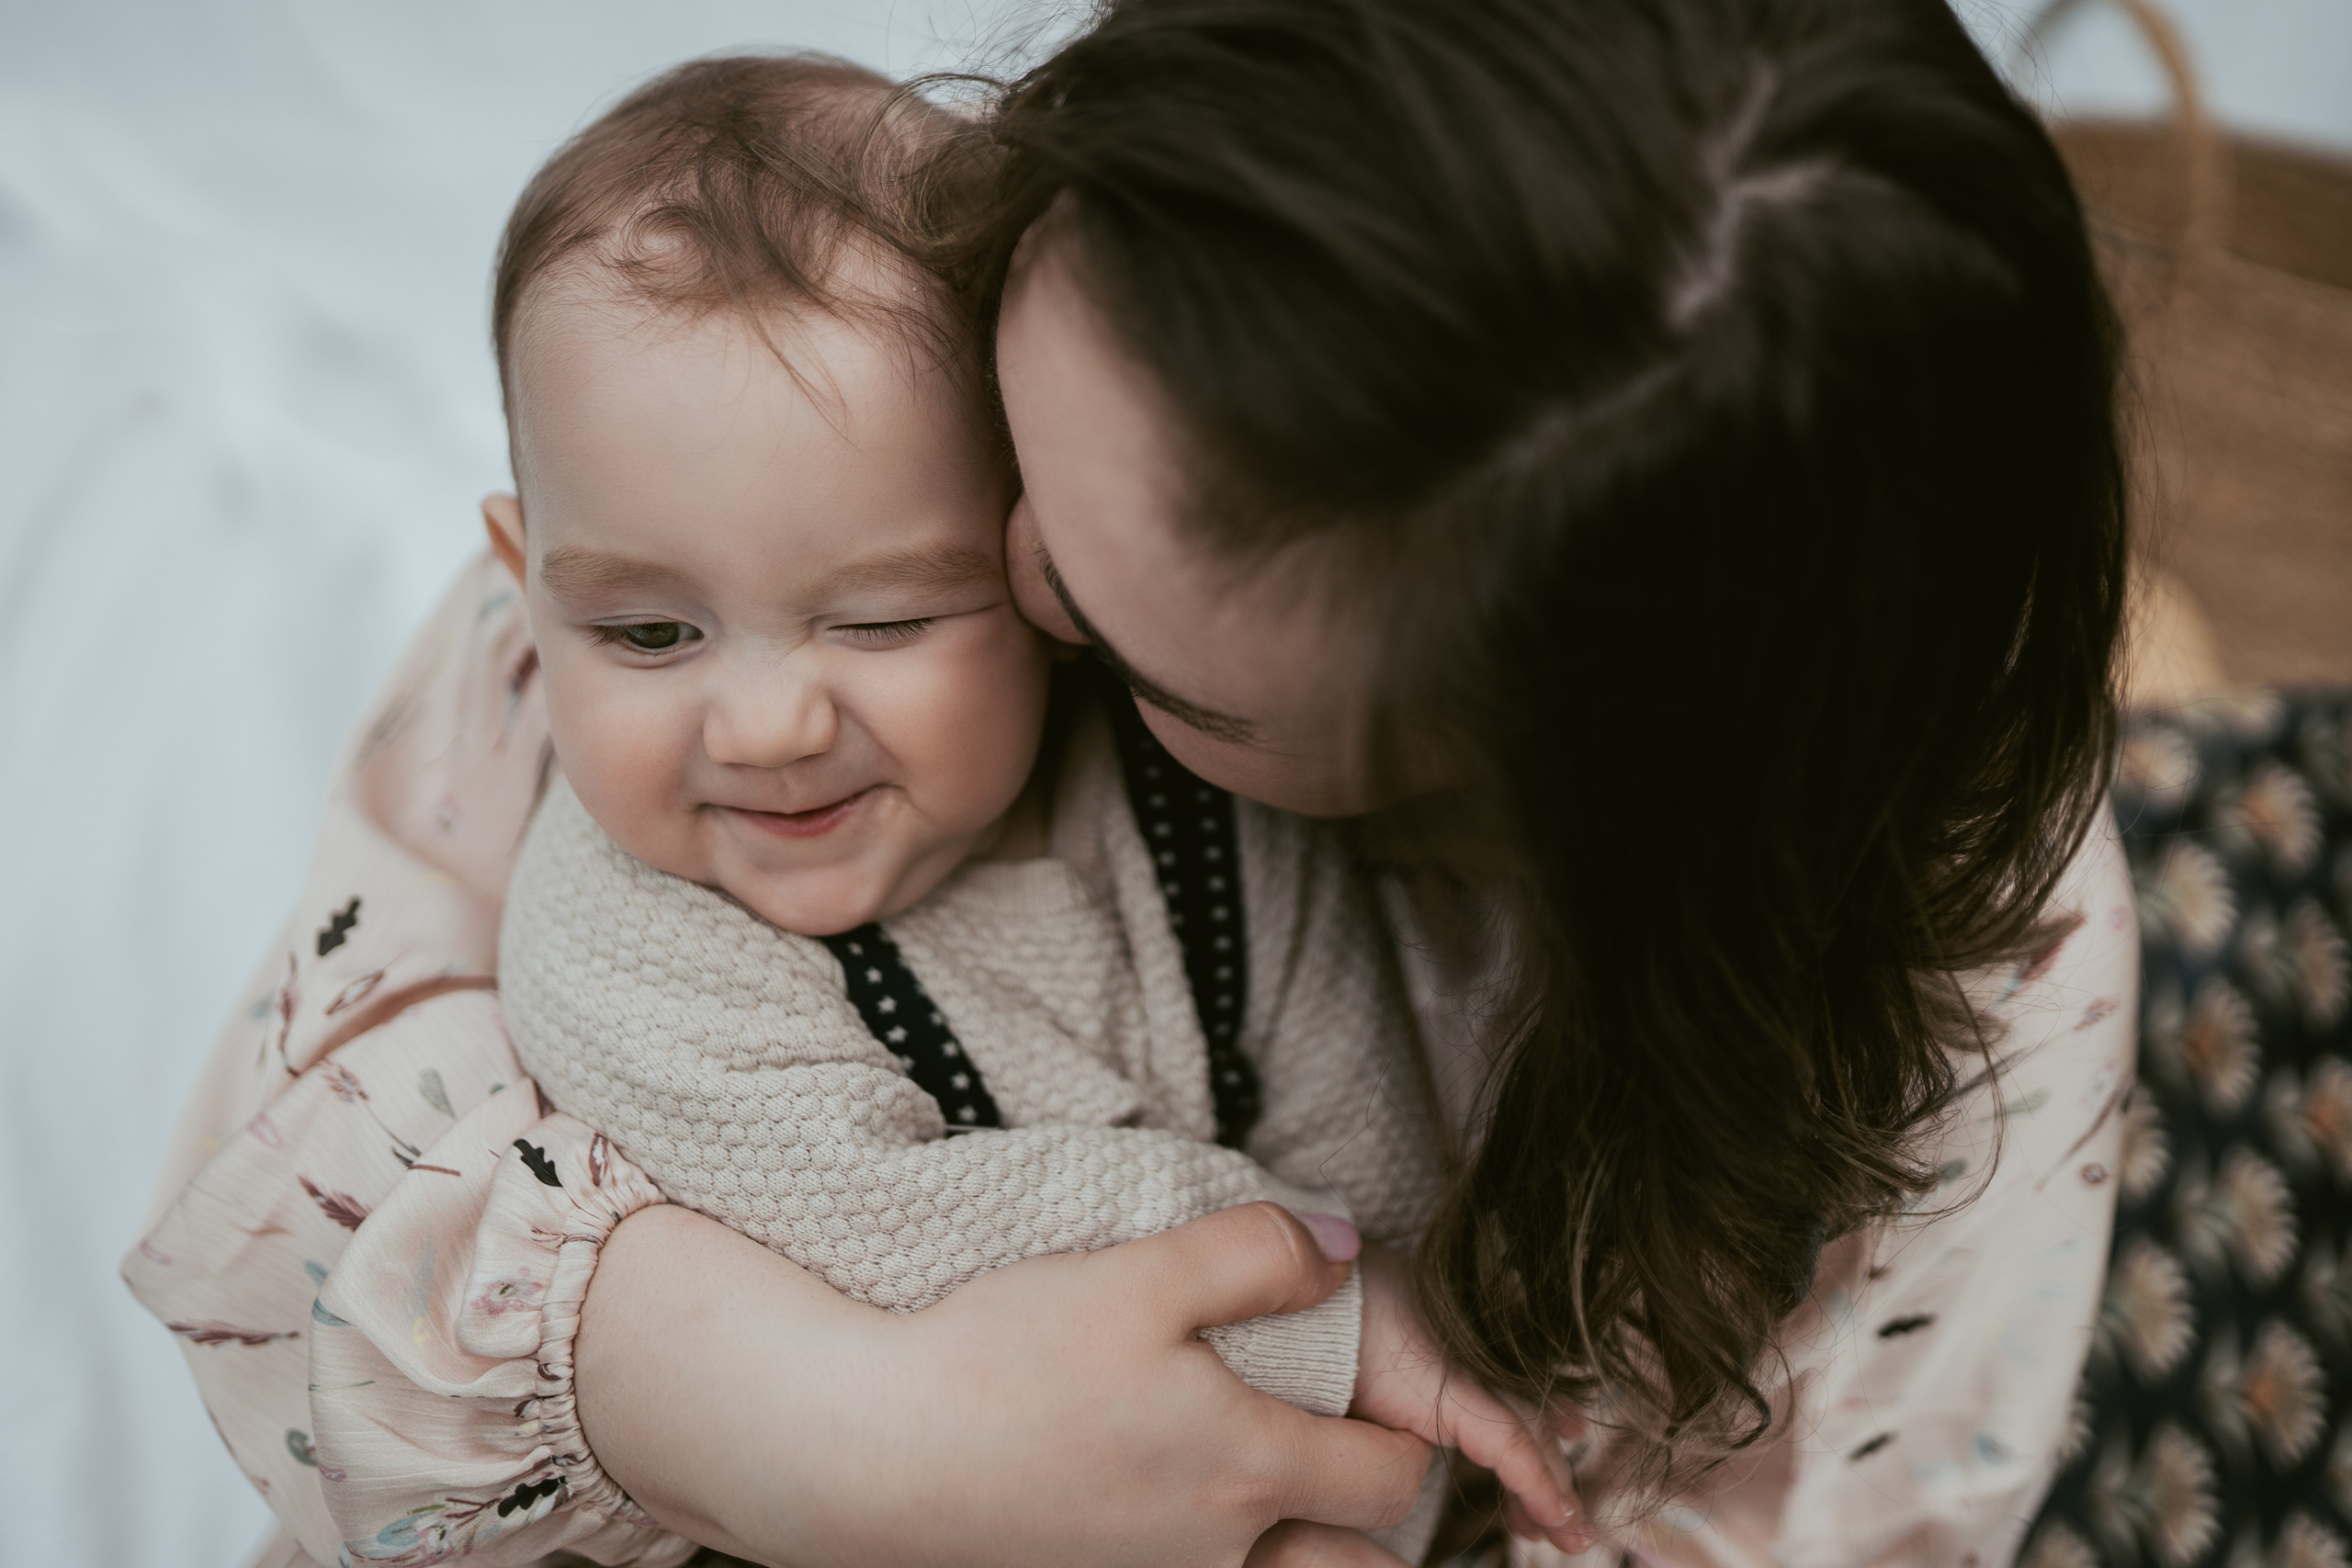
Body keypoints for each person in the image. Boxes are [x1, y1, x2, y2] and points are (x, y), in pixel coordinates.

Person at [125, 1, 2139, 1564]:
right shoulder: (864, 338)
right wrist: (814, 1422)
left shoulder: (1932, 1020)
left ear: (1491, 799)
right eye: (1006, 419)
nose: (999, 585)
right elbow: (289, 1209)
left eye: (1110, 630)